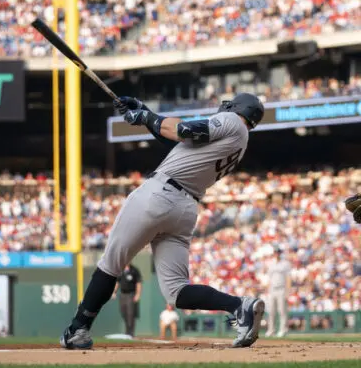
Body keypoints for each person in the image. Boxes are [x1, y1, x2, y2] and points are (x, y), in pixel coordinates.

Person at [60, 93, 266, 350]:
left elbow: (184, 130)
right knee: (177, 291)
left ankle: (78, 328)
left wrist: (147, 116)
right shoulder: (240, 141)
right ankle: (239, 306)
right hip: (185, 209)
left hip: (159, 195)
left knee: (110, 264)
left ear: (238, 107)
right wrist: (146, 116)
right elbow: (181, 141)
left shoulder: (232, 122)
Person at [266, 248, 291, 337]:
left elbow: (288, 278)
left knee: (282, 310)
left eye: (278, 252)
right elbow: (269, 278)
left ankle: (283, 330)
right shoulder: (271, 264)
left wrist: (288, 291)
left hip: (282, 289)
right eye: (275, 252)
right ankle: (271, 330)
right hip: (272, 289)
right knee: (271, 311)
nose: (277, 254)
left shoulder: (285, 264)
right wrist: (268, 290)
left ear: (280, 253)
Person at [112, 263, 143, 337]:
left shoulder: (134, 270)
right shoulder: (121, 270)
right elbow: (117, 282)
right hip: (122, 294)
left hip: (131, 294)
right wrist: (114, 292)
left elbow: (138, 283)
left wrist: (138, 294)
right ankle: (127, 332)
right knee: (124, 312)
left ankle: (131, 333)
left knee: (130, 314)